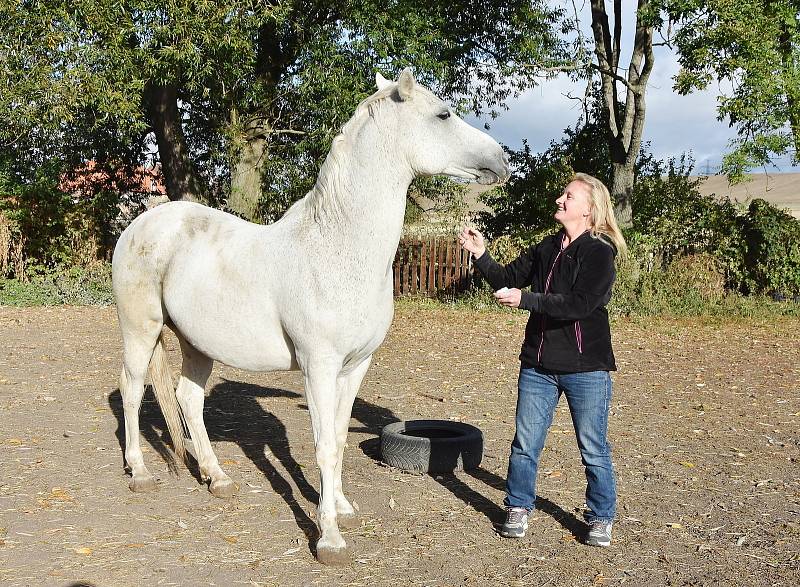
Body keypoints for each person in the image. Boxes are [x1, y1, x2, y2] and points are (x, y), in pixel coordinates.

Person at [458, 172, 627, 548]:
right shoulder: (547, 247)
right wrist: (481, 254)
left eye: (568, 196)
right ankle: (518, 506)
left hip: (586, 369)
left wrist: (527, 299)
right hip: (538, 366)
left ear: (589, 208)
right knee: (525, 443)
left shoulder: (600, 251)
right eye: (562, 195)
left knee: (593, 447)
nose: (559, 200)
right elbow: (506, 278)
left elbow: (581, 304)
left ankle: (601, 516)